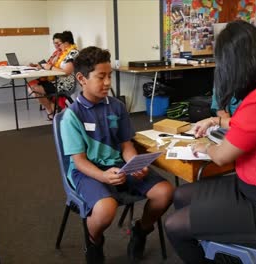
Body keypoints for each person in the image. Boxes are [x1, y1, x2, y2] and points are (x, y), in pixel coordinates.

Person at [164, 20, 256, 264]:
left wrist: (207, 147)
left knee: (175, 225)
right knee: (181, 195)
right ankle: (219, 250)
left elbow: (222, 156)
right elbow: (248, 127)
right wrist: (216, 123)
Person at [60, 46, 174, 263]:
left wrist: (134, 163)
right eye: (101, 77)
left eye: (109, 76)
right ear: (82, 78)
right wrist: (103, 176)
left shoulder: (117, 106)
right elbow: (79, 161)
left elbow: (126, 145)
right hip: (88, 171)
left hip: (120, 167)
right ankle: (94, 242)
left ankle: (141, 230)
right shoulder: (72, 116)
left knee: (165, 193)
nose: (107, 83)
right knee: (105, 210)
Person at [28, 31, 79, 120]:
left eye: (60, 44)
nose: (58, 46)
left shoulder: (73, 53)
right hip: (54, 80)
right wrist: (46, 66)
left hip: (65, 83)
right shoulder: (60, 53)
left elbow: (66, 72)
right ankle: (51, 109)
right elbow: (51, 65)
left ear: (66, 43)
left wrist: (50, 67)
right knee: (31, 86)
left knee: (35, 89)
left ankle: (51, 111)